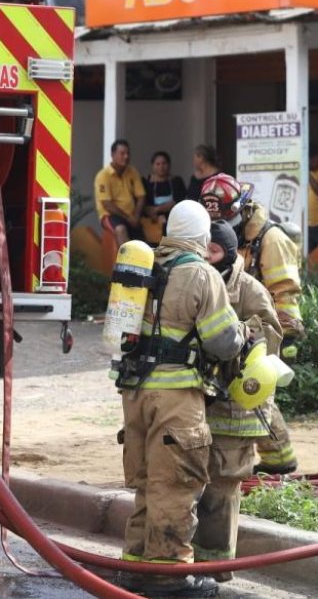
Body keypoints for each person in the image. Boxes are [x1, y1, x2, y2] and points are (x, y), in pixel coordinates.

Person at [114, 200, 244, 598]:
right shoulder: (202, 275)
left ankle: (135, 565)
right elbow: (223, 343)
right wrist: (242, 334)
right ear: (203, 237)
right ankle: (168, 574)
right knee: (174, 483)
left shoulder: (143, 264)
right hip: (175, 395)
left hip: (135, 393)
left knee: (146, 482)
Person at [193, 220, 283, 581]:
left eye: (213, 251)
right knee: (194, 484)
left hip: (238, 407)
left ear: (228, 254)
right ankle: (194, 564)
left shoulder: (249, 290)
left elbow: (271, 338)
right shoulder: (199, 281)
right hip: (203, 403)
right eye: (203, 250)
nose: (206, 258)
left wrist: (238, 334)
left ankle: (215, 569)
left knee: (222, 487)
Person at [200, 174, 303, 475]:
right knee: (248, 391)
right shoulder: (227, 233)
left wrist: (286, 335)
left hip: (264, 324)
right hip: (233, 325)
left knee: (256, 391)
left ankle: (280, 458)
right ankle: (278, 457)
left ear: (240, 208)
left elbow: (285, 290)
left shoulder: (271, 239)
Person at [95, 139, 145, 246]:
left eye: (128, 153)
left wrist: (135, 216)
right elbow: (107, 205)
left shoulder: (132, 171)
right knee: (121, 229)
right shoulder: (103, 175)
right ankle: (126, 262)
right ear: (112, 155)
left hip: (132, 215)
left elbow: (141, 196)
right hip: (110, 215)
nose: (126, 157)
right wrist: (129, 218)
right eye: (122, 153)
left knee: (143, 238)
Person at [141, 151, 188, 245]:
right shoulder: (146, 183)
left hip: (173, 219)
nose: (161, 167)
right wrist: (152, 213)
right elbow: (143, 204)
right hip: (152, 222)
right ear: (152, 166)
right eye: (158, 164)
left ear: (169, 165)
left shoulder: (176, 181)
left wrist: (158, 209)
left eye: (164, 163)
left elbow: (179, 201)